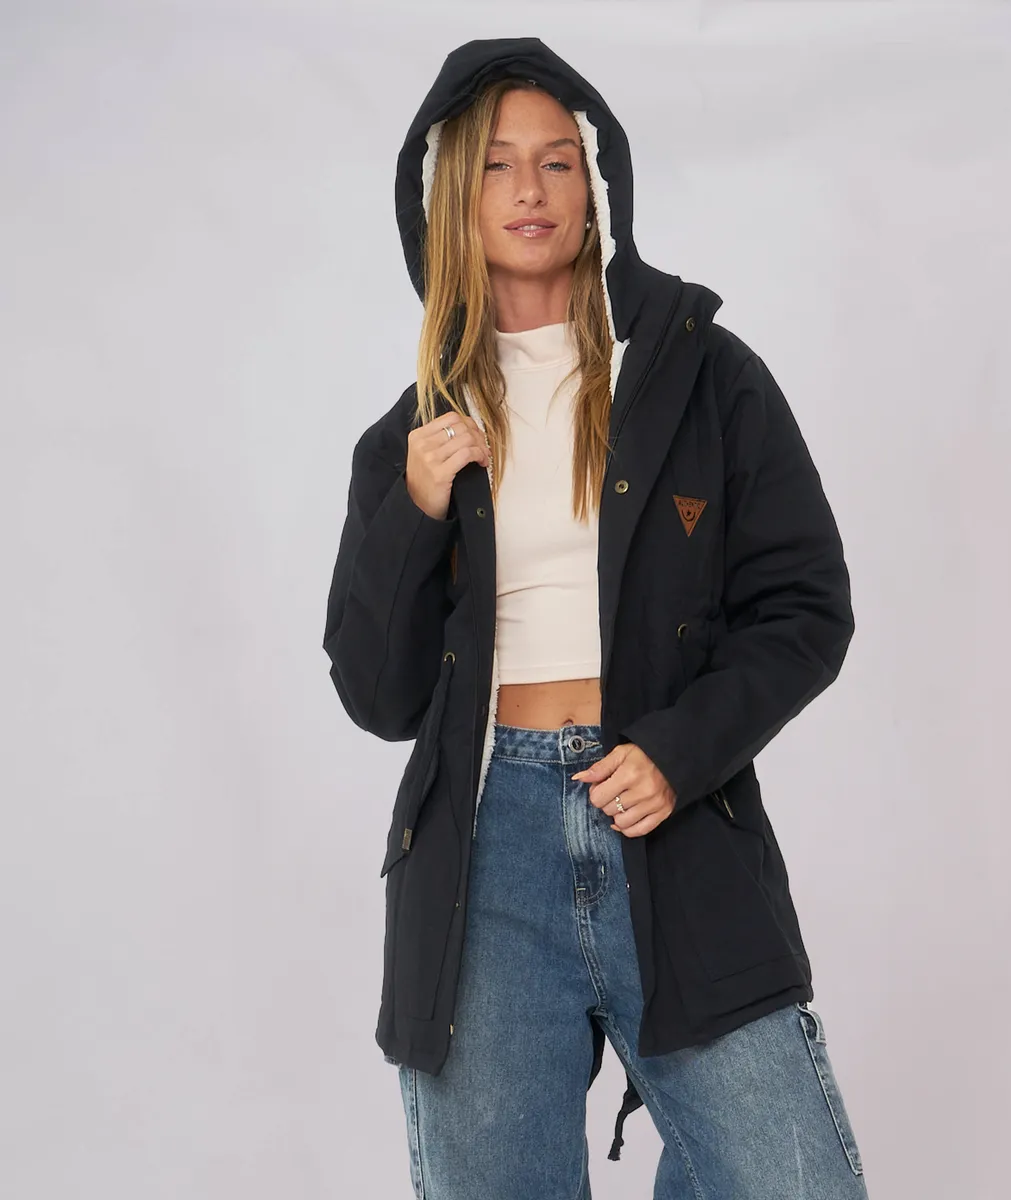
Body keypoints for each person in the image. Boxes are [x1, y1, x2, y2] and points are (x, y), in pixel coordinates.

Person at [323, 35, 869, 1199]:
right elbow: (376, 695)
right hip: (485, 858)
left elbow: (806, 606)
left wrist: (680, 749)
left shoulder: (704, 378)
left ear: (597, 183)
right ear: (450, 201)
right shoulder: (410, 439)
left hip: (673, 821)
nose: (529, 188)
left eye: (557, 160)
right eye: (496, 164)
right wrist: (414, 513)